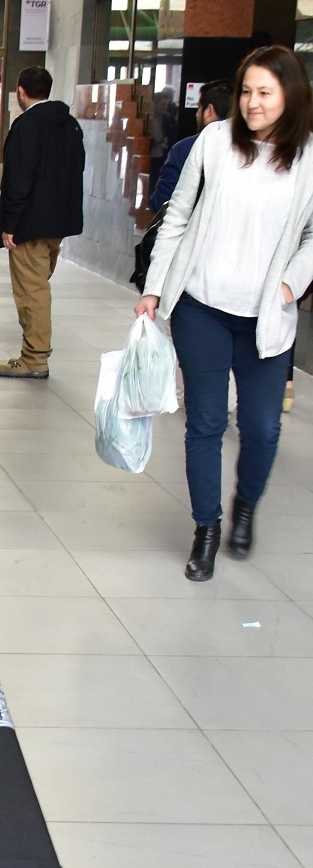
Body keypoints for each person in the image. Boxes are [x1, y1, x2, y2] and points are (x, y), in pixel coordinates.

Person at [137, 45, 313, 581]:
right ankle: (206, 526)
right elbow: (178, 217)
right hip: (202, 308)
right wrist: (156, 288)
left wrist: (290, 283)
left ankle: (246, 506)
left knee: (261, 429)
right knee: (206, 423)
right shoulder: (214, 142)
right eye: (246, 92)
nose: (253, 103)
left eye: (265, 93)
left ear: (290, 96)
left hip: (266, 314)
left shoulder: (307, 156)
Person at [0, 65, 85, 378]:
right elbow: (78, 170)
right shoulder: (70, 125)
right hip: (58, 223)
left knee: (32, 292)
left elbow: (18, 179)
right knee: (39, 285)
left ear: (21, 92)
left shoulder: (26, 126)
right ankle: (35, 354)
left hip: (29, 225)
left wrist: (10, 224)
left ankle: (34, 358)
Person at [150, 81, 231, 211]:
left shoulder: (185, 149)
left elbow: (160, 203)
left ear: (208, 111)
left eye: (199, 108)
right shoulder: (249, 151)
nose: (196, 114)